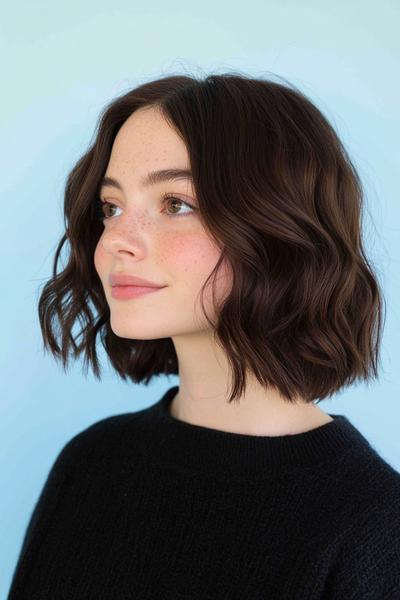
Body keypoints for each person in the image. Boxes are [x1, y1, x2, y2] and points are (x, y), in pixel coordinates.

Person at [8, 72, 400, 599]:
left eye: (175, 204)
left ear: (279, 226)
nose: (117, 241)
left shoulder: (373, 527)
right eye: (111, 207)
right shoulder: (90, 464)